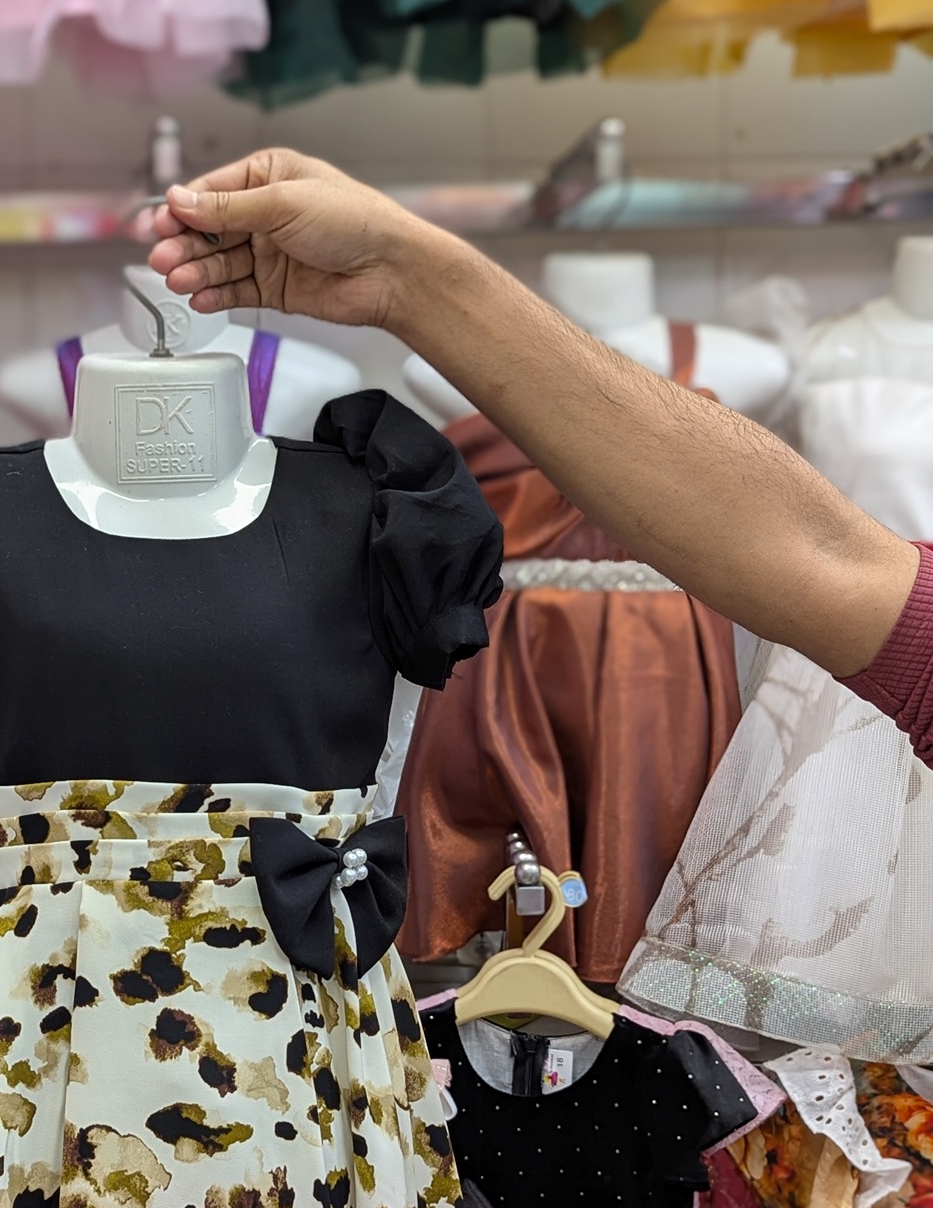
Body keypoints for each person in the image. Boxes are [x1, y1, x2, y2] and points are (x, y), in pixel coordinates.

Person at [149, 150, 932, 763]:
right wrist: (402, 275)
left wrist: (404, 277)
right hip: (514, 678)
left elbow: (832, 568)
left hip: (674, 685)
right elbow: (832, 566)